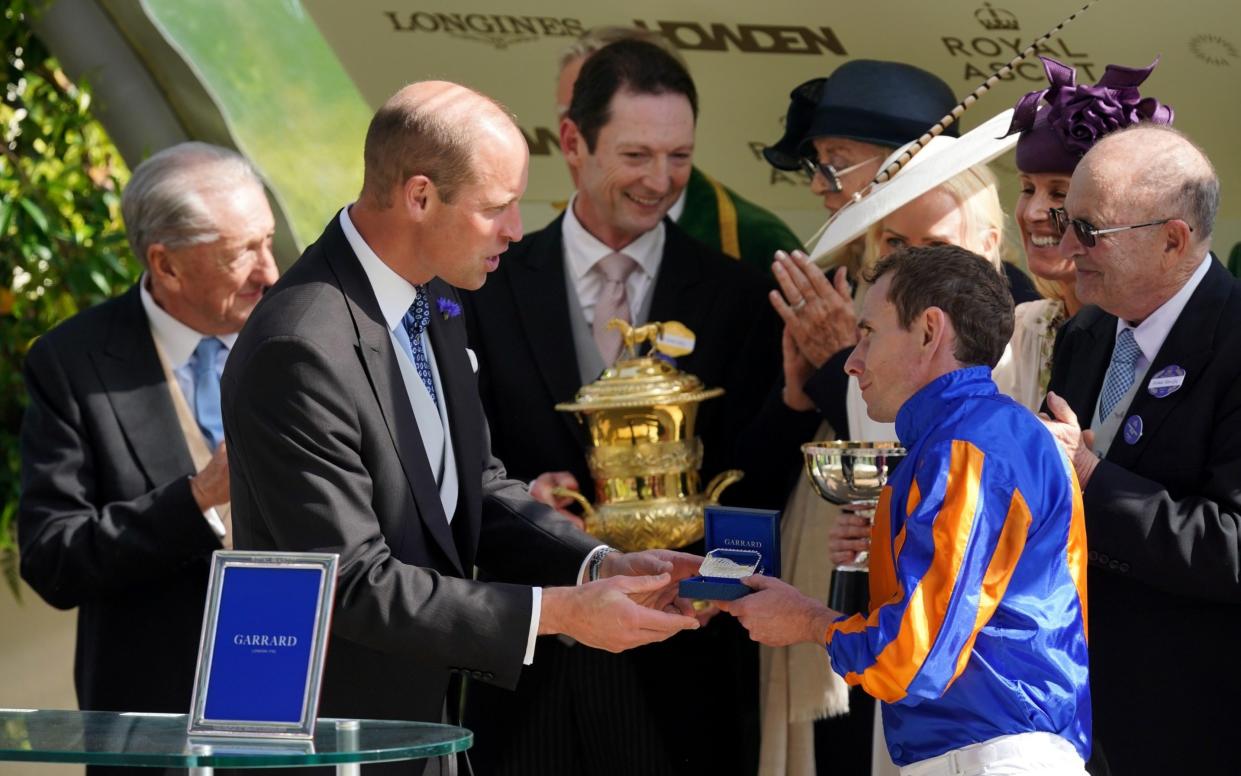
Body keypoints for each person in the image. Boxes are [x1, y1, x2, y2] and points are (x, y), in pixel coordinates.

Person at [221, 80, 704, 776]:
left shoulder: (436, 293)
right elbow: (350, 583)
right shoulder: (298, 346)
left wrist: (596, 561)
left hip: (427, 730)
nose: (514, 228)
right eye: (496, 208)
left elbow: (473, 481)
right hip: (336, 744)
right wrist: (560, 613)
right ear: (419, 196)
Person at [463, 39, 779, 775]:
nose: (661, 181)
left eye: (679, 157)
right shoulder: (486, 286)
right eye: (636, 156)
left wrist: (714, 590)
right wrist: (528, 504)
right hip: (529, 673)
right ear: (572, 141)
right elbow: (458, 463)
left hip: (680, 676)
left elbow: (753, 475)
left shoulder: (735, 296)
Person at [724, 244, 1092, 775]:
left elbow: (912, 656)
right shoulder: (978, 435)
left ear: (928, 331)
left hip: (991, 756)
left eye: (868, 333)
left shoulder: (968, 446)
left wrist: (807, 621)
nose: (851, 361)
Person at [18, 142, 278, 775]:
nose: (269, 271)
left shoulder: (301, 335)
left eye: (268, 241)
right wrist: (195, 500)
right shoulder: (72, 363)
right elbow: (52, 557)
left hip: (302, 710)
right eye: (241, 251)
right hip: (153, 731)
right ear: (165, 265)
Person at [1040, 124, 1239, 776]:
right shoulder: (1087, 332)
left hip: (1190, 727)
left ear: (1172, 240)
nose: (1067, 250)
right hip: (1072, 711)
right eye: (1064, 224)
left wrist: (1091, 479)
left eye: (1088, 231)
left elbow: (1232, 546)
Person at [995, 56, 1172, 412]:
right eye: (1027, 189)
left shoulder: (1159, 332)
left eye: (1060, 194)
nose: (1032, 213)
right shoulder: (1023, 329)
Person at [555, 26, 803, 272]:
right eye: (571, 111)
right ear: (571, 139)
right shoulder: (530, 253)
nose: (658, 183)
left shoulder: (756, 243)